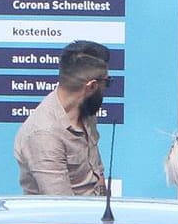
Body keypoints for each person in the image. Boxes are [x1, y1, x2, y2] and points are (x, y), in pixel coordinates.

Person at [15, 44, 108, 196]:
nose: (106, 90)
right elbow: (62, 206)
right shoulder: (44, 134)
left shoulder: (86, 112)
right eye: (107, 82)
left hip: (94, 213)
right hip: (65, 218)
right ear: (91, 87)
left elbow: (98, 175)